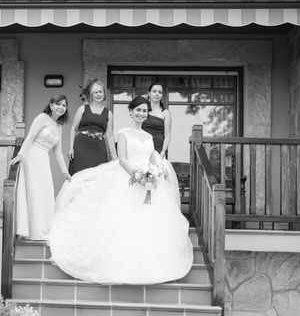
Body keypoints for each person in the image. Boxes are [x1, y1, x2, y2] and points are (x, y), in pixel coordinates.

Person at [47, 96, 192, 284]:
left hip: (147, 182)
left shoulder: (148, 137)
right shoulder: (124, 133)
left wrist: (154, 173)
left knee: (149, 223)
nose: (141, 113)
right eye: (138, 110)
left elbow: (152, 159)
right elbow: (122, 159)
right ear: (131, 112)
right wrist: (137, 175)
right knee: (123, 222)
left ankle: (147, 264)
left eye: (144, 111)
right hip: (128, 180)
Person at [11, 94, 71, 240]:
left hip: (43, 159)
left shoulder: (59, 126)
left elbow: (57, 151)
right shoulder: (42, 118)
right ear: (51, 105)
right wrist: (21, 155)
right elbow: (30, 137)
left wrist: (65, 172)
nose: (61, 107)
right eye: (58, 104)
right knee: (34, 192)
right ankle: (29, 230)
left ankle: (43, 229)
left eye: (64, 105)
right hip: (32, 156)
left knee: (46, 192)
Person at [68, 79, 116, 175]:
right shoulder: (82, 109)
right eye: (95, 92)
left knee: (98, 177)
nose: (98, 94)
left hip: (99, 149)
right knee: (79, 175)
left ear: (104, 94)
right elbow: (73, 129)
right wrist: (71, 148)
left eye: (100, 92)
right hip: (80, 148)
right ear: (91, 95)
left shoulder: (109, 114)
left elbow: (109, 135)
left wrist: (114, 156)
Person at [142, 81, 172, 158]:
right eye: (154, 91)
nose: (157, 94)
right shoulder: (143, 110)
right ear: (149, 93)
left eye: (160, 92)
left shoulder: (165, 113)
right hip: (142, 146)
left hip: (158, 149)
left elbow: (167, 134)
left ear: (162, 95)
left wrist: (163, 150)